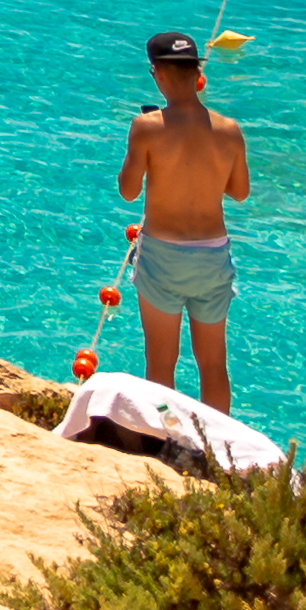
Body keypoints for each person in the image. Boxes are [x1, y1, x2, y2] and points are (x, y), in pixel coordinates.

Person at [117, 31, 250, 413]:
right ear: (197, 73)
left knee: (161, 366)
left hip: (162, 255)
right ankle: (217, 453)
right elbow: (239, 192)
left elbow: (128, 191)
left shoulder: (147, 127)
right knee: (213, 366)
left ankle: (166, 444)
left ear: (156, 73)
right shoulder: (229, 130)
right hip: (212, 257)